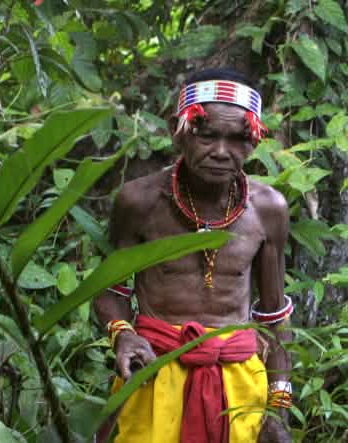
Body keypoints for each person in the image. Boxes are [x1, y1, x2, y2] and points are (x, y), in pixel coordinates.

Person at [93, 68, 293, 443]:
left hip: (238, 387)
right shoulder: (140, 202)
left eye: (237, 139)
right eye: (206, 133)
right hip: (154, 376)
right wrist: (124, 336)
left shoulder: (268, 210)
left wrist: (278, 407)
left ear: (254, 142)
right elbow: (110, 291)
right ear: (178, 129)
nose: (221, 151)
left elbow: (273, 317)